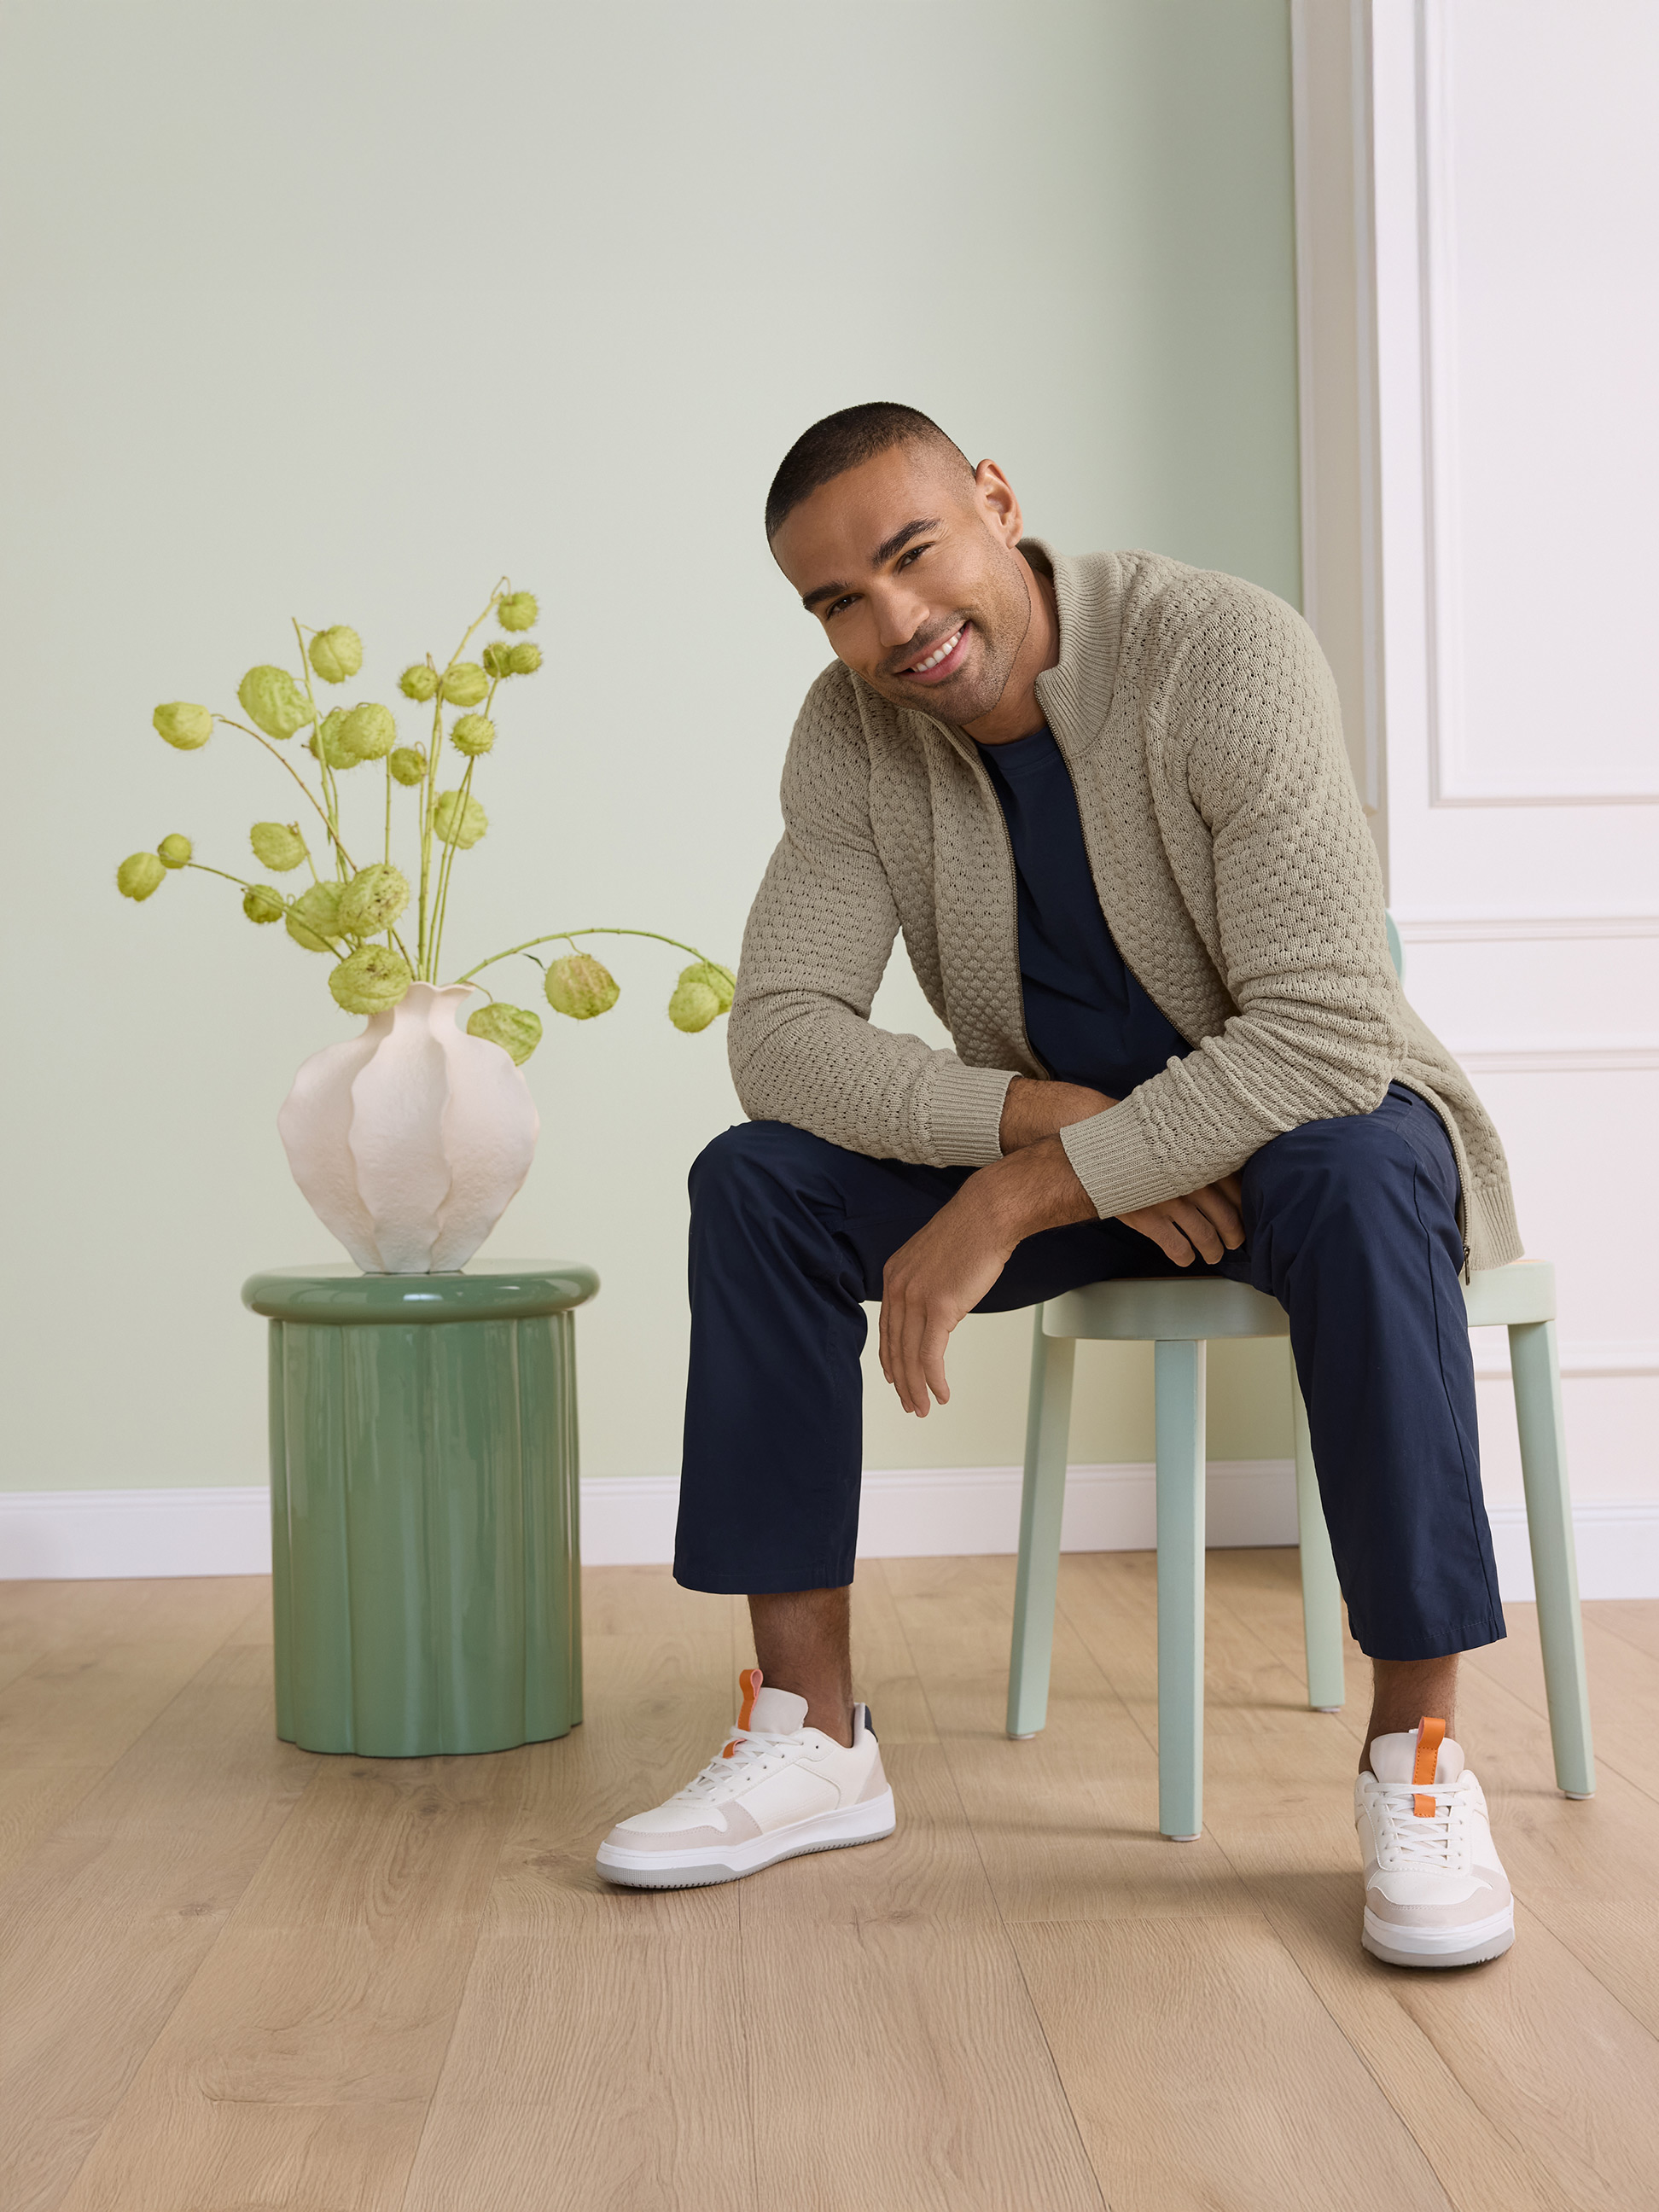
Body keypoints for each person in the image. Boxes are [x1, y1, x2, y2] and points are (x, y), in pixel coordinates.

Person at [597, 403, 1517, 1970]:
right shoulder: (850, 734)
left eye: (912, 556)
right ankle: (811, 1739)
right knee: (754, 1182)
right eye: (837, 602)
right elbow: (782, 1041)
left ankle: (1417, 1756)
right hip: (1087, 1159)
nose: (895, 628)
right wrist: (1033, 1121)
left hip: (1312, 1134)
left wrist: (1020, 1195)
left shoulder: (1221, 650)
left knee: (1361, 1170)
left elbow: (1319, 1030)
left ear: (998, 502)